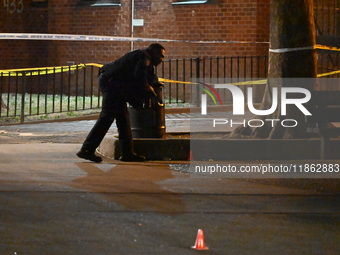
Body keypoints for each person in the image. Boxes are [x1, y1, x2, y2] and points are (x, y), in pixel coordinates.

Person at [77, 43, 166, 163]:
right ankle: (87, 150)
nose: (162, 59)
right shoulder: (144, 58)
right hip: (112, 86)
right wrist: (151, 94)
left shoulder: (144, 58)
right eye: (161, 55)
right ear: (154, 53)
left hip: (116, 87)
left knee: (123, 120)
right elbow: (141, 78)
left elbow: (148, 77)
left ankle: (127, 153)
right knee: (106, 117)